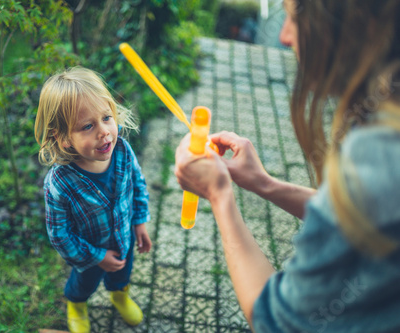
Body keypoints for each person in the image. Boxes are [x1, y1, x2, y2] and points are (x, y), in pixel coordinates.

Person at [175, 0, 400, 332]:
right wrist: (265, 183)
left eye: (295, 19)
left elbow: (277, 321)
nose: (283, 36)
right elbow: (355, 222)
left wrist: (219, 195)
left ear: (354, 25)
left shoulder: (378, 156)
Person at [34, 66, 152, 333]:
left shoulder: (122, 149)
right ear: (63, 138)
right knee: (83, 284)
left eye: (106, 117)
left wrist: (140, 222)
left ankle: (119, 295)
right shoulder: (60, 183)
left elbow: (138, 184)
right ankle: (76, 304)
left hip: (124, 238)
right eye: (88, 126)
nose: (104, 132)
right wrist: (97, 257)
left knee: (122, 273)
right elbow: (59, 235)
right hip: (89, 253)